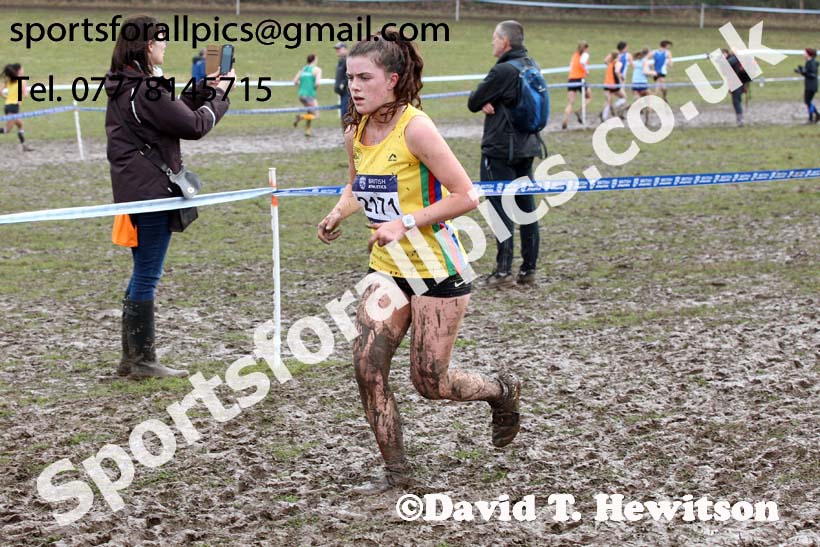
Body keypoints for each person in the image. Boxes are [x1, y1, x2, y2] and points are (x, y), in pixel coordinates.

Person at [317, 28, 522, 493]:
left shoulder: (417, 127)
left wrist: (405, 223)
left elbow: (468, 194)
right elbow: (359, 185)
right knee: (367, 367)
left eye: (364, 78)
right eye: (350, 77)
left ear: (391, 79)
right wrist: (336, 213)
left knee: (431, 382)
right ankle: (397, 474)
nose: (354, 86)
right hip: (388, 271)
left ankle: (501, 391)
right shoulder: (355, 130)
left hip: (436, 269)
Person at [105, 15, 233, 379]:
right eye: (161, 40)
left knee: (142, 272)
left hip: (135, 190)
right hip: (151, 193)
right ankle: (142, 361)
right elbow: (193, 125)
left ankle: (133, 359)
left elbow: (171, 111)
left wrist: (202, 86)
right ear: (148, 45)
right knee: (148, 274)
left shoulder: (127, 83)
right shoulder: (145, 86)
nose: (165, 46)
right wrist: (220, 95)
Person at [468, 20, 544, 286]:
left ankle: (502, 272)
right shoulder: (531, 65)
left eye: (494, 37)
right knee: (526, 208)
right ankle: (529, 270)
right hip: (528, 147)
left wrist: (488, 100)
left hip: (500, 148)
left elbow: (473, 100)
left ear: (505, 41)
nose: (492, 42)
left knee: (499, 208)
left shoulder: (503, 71)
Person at [1, 63, 33, 152]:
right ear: (18, 71)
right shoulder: (22, 81)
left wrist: (5, 97)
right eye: (22, 69)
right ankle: (24, 146)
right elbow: (25, 95)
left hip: (8, 106)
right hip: (14, 108)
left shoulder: (9, 80)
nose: (23, 70)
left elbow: (0, 91)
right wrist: (27, 94)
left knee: (20, 125)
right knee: (6, 130)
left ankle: (24, 145)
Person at [562, 41, 591, 129]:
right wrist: (586, 71)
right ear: (585, 48)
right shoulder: (585, 55)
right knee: (589, 97)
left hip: (571, 79)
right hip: (580, 79)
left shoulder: (574, 55)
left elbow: (570, 66)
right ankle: (579, 110)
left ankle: (565, 120)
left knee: (570, 102)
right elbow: (582, 63)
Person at [293, 54, 321, 137]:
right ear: (314, 60)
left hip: (301, 95)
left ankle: (307, 131)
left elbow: (295, 81)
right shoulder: (317, 70)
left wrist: (302, 86)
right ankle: (300, 117)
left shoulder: (303, 69)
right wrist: (313, 89)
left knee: (309, 112)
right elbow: (317, 83)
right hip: (310, 95)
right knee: (316, 115)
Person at [723, 48, 752, 127]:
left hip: (737, 83)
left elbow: (727, 64)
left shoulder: (734, 58)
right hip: (740, 82)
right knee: (737, 100)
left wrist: (722, 59)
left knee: (736, 101)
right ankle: (740, 118)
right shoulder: (738, 58)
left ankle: (740, 119)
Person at [631, 48, 654, 125]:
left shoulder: (635, 62)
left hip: (635, 83)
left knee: (637, 101)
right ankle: (647, 121)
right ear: (647, 53)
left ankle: (627, 109)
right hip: (643, 84)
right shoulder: (645, 61)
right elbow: (645, 72)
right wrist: (653, 73)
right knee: (648, 102)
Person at [795, 47, 818, 124]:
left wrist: (803, 72)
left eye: (805, 53)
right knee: (808, 101)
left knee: (808, 101)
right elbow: (808, 72)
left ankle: (813, 117)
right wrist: (801, 70)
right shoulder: (809, 62)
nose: (803, 54)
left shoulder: (812, 62)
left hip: (811, 86)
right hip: (809, 85)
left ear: (809, 54)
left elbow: (813, 75)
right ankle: (814, 116)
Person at [333, 42, 350, 131]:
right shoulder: (341, 61)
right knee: (344, 115)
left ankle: (350, 137)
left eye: (339, 49)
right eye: (336, 49)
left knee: (346, 115)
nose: (337, 51)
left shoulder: (348, 61)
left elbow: (349, 75)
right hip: (342, 93)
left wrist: (342, 85)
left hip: (347, 93)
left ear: (345, 49)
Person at [601, 50, 620, 121]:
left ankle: (606, 115)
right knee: (608, 100)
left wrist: (611, 55)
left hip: (608, 84)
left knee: (609, 100)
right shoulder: (615, 63)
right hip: (611, 84)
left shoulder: (610, 63)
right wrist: (612, 54)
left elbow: (605, 60)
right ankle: (604, 116)